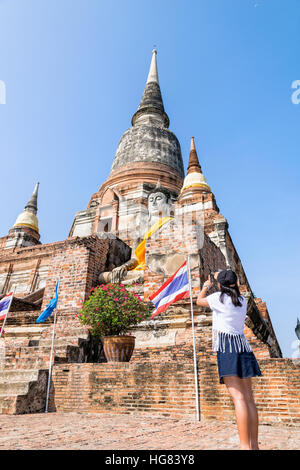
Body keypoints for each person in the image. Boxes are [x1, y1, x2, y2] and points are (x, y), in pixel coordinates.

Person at [196, 269, 262, 450]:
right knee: (249, 398)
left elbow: (198, 301)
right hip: (243, 347)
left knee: (239, 398)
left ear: (220, 285)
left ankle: (244, 447)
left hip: (228, 347)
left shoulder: (218, 298)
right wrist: (220, 279)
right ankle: (254, 445)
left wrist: (205, 287)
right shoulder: (242, 301)